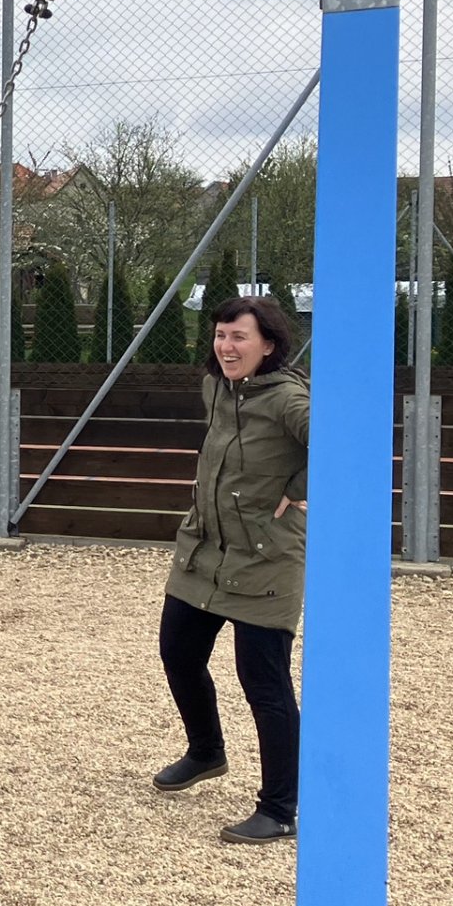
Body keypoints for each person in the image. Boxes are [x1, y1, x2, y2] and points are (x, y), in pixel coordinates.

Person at [154, 295, 309, 845]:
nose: (227, 346)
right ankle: (206, 752)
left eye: (239, 336)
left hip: (266, 557)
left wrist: (299, 487)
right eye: (221, 335)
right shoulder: (216, 387)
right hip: (205, 550)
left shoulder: (289, 399)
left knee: (264, 683)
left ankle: (280, 808)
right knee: (178, 651)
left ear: (269, 344)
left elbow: (344, 446)